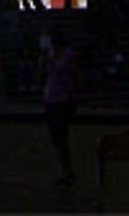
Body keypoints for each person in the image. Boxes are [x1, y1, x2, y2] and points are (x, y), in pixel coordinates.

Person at [42, 31, 80, 186]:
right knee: (57, 139)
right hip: (51, 99)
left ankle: (68, 171)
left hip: (63, 99)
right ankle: (65, 170)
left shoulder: (68, 55)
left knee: (62, 137)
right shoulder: (53, 56)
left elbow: (67, 75)